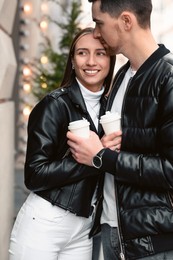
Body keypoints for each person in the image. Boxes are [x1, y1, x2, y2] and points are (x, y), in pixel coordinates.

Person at [67, 1, 173, 260]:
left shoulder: (168, 78)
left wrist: (101, 157)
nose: (95, 33)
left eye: (99, 22)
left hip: (152, 243)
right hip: (112, 233)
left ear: (126, 21)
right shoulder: (122, 75)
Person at [9, 27, 117, 260]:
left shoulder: (113, 108)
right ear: (72, 59)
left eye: (100, 53)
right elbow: (34, 175)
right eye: (82, 53)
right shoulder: (54, 105)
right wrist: (96, 158)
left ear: (110, 59)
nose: (91, 61)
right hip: (45, 223)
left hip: (83, 229)